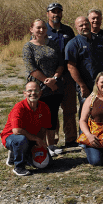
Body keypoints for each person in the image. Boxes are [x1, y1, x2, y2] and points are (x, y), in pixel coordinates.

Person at [23, 19, 65, 155]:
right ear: (31, 29)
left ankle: (52, 145)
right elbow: (31, 68)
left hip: (55, 86)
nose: (41, 30)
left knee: (52, 115)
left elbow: (60, 63)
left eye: (44, 28)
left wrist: (55, 79)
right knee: (39, 117)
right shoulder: (28, 47)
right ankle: (42, 145)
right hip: (37, 87)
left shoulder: (53, 44)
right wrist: (47, 81)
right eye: (38, 28)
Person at [45, 2, 78, 147]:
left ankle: (71, 140)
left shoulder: (68, 31)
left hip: (68, 76)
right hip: (50, 78)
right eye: (53, 12)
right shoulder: (43, 29)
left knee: (70, 109)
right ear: (48, 14)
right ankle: (53, 141)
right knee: (52, 110)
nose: (56, 14)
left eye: (58, 12)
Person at [2, 81, 51, 176]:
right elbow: (16, 131)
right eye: (30, 91)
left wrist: (41, 143)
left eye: (36, 91)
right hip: (13, 136)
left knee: (44, 164)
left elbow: (43, 128)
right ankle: (19, 167)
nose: (33, 93)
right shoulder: (19, 107)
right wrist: (36, 139)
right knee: (21, 140)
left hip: (30, 137)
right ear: (24, 93)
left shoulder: (44, 107)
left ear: (40, 93)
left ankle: (15, 155)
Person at [65, 15, 103, 104]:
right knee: (87, 111)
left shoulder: (100, 41)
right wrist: (82, 85)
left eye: (86, 24)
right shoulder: (73, 44)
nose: (84, 27)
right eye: (81, 25)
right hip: (86, 86)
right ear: (76, 27)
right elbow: (71, 67)